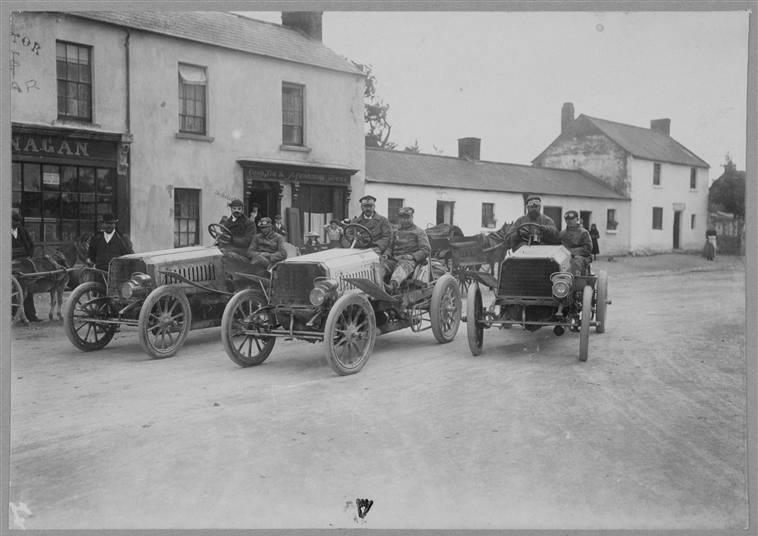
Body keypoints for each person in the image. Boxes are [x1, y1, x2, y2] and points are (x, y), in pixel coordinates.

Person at [381, 207, 431, 293]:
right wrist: (386, 254)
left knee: (402, 267)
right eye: (402, 218)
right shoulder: (395, 231)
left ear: (412, 217)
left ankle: (392, 286)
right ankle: (378, 285)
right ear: (399, 219)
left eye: (408, 218)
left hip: (409, 261)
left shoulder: (419, 232)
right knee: (380, 266)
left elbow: (426, 249)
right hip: (394, 260)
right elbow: (390, 247)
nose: (405, 220)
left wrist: (412, 256)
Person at [493, 194, 559, 250]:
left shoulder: (547, 220)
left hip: (543, 250)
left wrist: (546, 229)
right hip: (523, 251)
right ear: (527, 207)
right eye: (531, 207)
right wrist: (518, 234)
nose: (534, 209)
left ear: (540, 207)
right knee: (522, 246)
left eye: (536, 206)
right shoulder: (520, 221)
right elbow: (508, 239)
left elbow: (555, 235)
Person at [11, 210, 39, 321]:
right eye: (15, 222)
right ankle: (13, 314)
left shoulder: (23, 230)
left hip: (24, 262)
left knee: (28, 287)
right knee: (12, 290)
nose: (17, 224)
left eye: (18, 222)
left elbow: (31, 244)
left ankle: (31, 315)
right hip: (10, 263)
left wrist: (29, 256)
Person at [559, 210, 593, 276]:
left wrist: (571, 252)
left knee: (575, 260)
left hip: (582, 257)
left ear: (577, 219)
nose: (569, 221)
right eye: (567, 219)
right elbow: (558, 247)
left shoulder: (584, 232)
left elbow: (588, 249)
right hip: (565, 257)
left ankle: (575, 280)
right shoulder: (562, 234)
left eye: (572, 219)